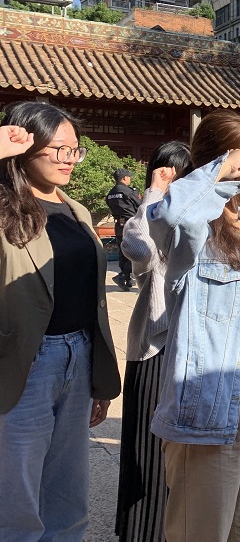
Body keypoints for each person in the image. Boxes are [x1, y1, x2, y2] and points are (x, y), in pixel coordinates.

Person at [147, 110, 240, 542]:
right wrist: (220, 171)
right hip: (211, 390)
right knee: (203, 527)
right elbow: (169, 216)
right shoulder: (194, 233)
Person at [0, 102, 121, 541]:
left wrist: (99, 379)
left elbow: (91, 301)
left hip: (78, 356)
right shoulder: (4, 209)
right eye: (58, 149)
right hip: (24, 363)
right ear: (23, 147)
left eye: (75, 149)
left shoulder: (76, 211)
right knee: (16, 497)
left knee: (67, 493)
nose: (70, 159)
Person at [115, 141, 193, 542]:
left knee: (185, 453)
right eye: (164, 171)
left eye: (181, 173)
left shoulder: (199, 219)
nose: (172, 179)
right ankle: (141, 532)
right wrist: (154, 195)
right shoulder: (147, 218)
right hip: (154, 348)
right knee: (146, 450)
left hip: (194, 349)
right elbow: (136, 248)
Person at [107, 167, 141, 291]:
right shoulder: (129, 191)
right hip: (131, 223)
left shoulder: (110, 193)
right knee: (136, 250)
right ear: (124, 178)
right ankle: (122, 276)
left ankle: (126, 278)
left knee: (123, 250)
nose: (130, 179)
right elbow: (140, 205)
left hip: (118, 224)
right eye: (129, 177)